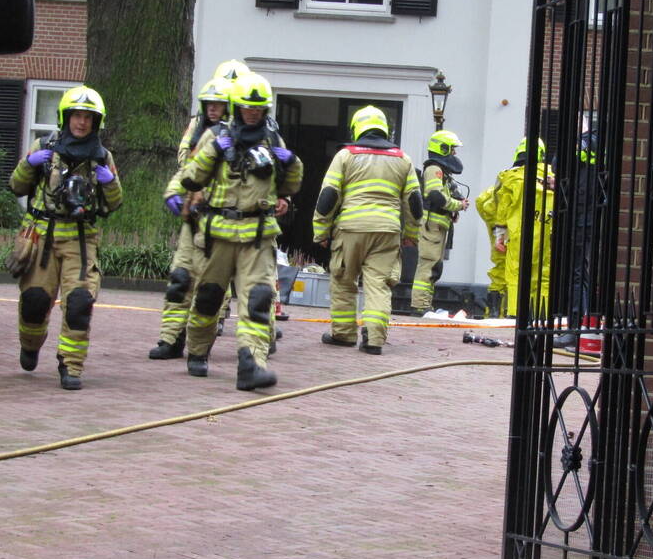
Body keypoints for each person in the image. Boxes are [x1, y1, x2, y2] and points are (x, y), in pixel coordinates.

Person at [164, 72, 302, 390]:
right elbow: (191, 178)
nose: (252, 113)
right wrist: (214, 151)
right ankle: (197, 351)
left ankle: (251, 364)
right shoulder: (215, 136)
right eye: (246, 108)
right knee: (209, 299)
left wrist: (291, 162)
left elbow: (290, 186)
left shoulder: (273, 140)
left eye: (258, 109)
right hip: (218, 233)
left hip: (257, 234)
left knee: (258, 298)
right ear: (236, 108)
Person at [9, 85, 123, 390]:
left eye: (88, 117)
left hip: (80, 240)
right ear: (66, 117)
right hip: (42, 236)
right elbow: (17, 187)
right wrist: (29, 164)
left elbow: (113, 203)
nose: (81, 122)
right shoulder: (43, 146)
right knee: (34, 302)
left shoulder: (103, 158)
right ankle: (30, 344)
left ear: (96, 122)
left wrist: (109, 183)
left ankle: (71, 366)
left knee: (79, 303)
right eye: (76, 115)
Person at [314, 105, 422, 354]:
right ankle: (374, 339)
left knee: (343, 280)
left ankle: (343, 334)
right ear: (385, 128)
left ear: (357, 128)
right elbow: (415, 203)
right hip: (387, 231)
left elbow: (328, 196)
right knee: (379, 285)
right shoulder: (403, 159)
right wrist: (411, 235)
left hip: (351, 228)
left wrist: (321, 231)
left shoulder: (345, 155)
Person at [150, 75, 233, 360]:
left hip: (222, 225)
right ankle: (170, 339)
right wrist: (174, 192)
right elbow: (186, 167)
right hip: (193, 218)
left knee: (212, 290)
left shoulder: (238, 136)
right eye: (209, 104)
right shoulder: (197, 132)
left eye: (219, 105)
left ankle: (207, 344)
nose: (213, 109)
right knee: (180, 279)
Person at [493, 137, 553, 317]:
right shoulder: (552, 176)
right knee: (543, 276)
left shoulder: (511, 176)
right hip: (547, 232)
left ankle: (515, 313)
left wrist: (499, 235)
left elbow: (502, 207)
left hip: (521, 233)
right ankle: (540, 315)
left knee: (516, 274)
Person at [409, 130, 468, 314]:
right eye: (452, 149)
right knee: (428, 266)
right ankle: (420, 307)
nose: (454, 154)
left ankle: (425, 305)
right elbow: (435, 195)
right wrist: (457, 205)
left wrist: (452, 211)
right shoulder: (434, 169)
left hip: (437, 227)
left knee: (434, 267)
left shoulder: (441, 171)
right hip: (431, 228)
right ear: (442, 149)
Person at [554, 130, 599, 349]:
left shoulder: (588, 140)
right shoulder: (604, 138)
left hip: (584, 219)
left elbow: (558, 164)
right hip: (591, 217)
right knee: (585, 275)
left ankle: (576, 329)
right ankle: (587, 329)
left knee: (578, 274)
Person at [475, 168, 511, 318]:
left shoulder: (506, 179)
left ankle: (496, 313)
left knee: (501, 269)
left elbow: (484, 205)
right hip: (503, 226)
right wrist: (500, 232)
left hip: (500, 224)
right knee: (503, 268)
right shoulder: (513, 180)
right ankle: (497, 313)